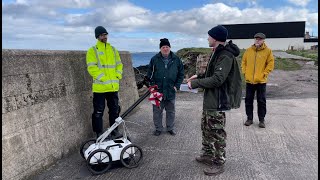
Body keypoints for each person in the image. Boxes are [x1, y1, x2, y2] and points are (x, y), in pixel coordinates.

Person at [187, 25, 242, 176]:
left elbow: (218, 79)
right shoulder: (217, 53)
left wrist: (196, 84)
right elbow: (211, 73)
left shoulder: (225, 55)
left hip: (218, 100)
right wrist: (197, 77)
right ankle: (208, 154)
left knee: (217, 132)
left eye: (209, 36)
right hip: (211, 99)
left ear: (216, 38)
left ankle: (219, 162)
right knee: (206, 128)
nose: (207, 38)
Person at [86, 26, 123, 138]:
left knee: (115, 111)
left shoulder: (113, 49)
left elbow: (119, 64)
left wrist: (118, 75)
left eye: (106, 34)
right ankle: (99, 133)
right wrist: (103, 78)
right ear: (97, 37)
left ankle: (114, 131)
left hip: (113, 87)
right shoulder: (92, 50)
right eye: (102, 35)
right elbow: (92, 68)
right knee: (98, 112)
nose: (104, 37)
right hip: (100, 88)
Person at [146, 38, 184, 136]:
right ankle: (158, 128)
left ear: (170, 47)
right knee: (157, 112)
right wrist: (152, 86)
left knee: (171, 111)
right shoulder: (154, 59)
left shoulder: (176, 59)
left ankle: (170, 128)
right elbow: (149, 74)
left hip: (171, 90)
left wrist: (177, 85)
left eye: (167, 47)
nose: (165, 49)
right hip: (157, 91)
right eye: (163, 47)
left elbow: (181, 74)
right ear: (160, 48)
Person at [241, 32, 274, 128]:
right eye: (256, 39)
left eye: (259, 39)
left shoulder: (268, 51)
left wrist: (265, 73)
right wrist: (245, 72)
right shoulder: (248, 51)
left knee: (261, 101)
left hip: (261, 81)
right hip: (249, 81)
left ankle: (261, 120)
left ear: (263, 40)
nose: (257, 40)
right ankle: (249, 119)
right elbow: (243, 62)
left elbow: (270, 64)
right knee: (248, 100)